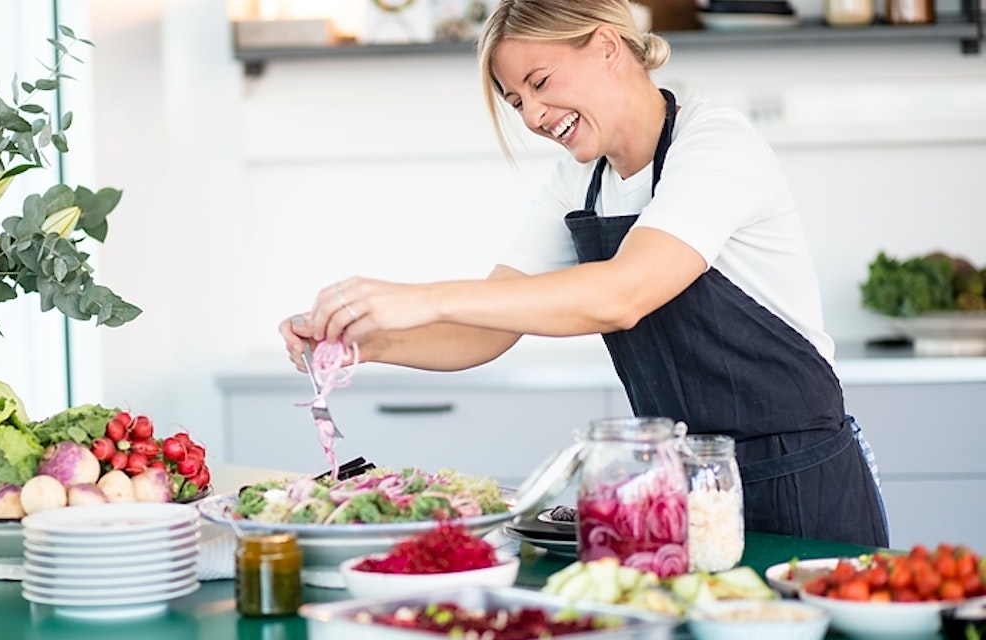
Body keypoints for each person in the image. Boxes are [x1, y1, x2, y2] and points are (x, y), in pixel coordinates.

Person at [278, 0, 888, 547]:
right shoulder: (580, 181)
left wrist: (421, 298)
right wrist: (355, 345)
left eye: (539, 84)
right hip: (685, 489)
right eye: (517, 102)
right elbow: (486, 326)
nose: (535, 115)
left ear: (605, 45)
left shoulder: (717, 142)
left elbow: (623, 294)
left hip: (798, 482)